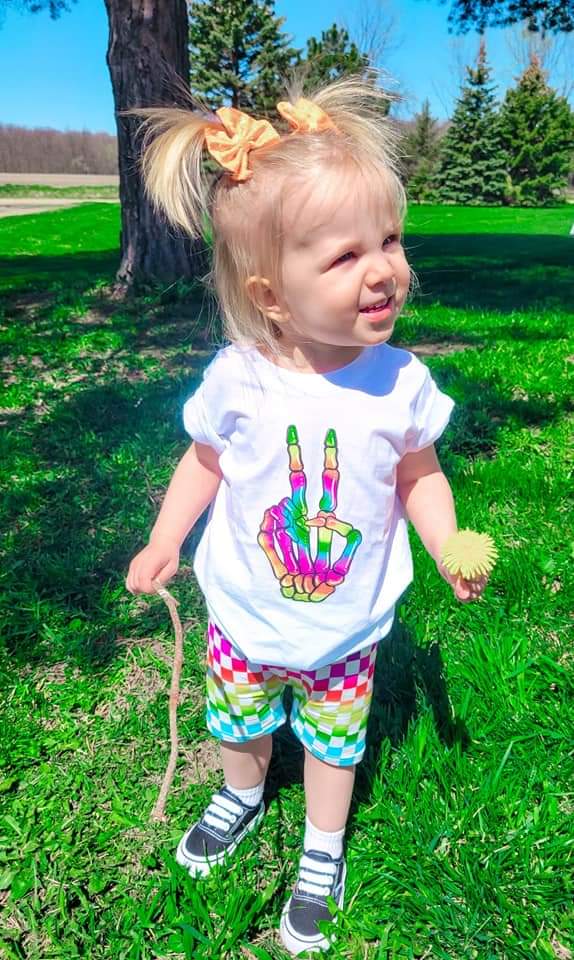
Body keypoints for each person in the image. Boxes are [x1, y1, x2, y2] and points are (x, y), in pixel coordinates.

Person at [126, 77, 488, 956]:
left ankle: (322, 847)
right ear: (272, 296)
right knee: (239, 726)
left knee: (334, 745)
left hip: (344, 625)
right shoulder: (239, 378)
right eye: (345, 256)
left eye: (389, 240)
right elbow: (204, 462)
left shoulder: (399, 383)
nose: (384, 269)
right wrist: (167, 537)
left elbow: (420, 474)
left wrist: (445, 540)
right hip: (245, 613)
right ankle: (242, 795)